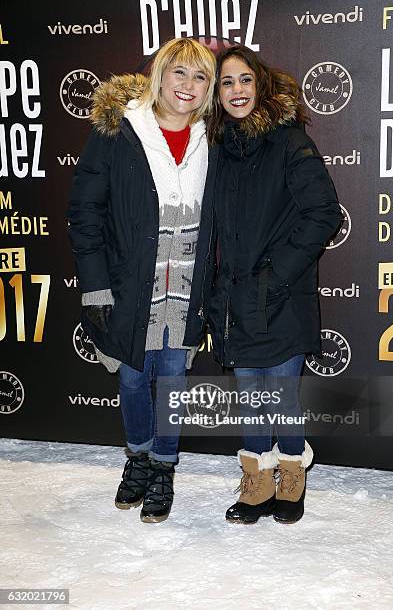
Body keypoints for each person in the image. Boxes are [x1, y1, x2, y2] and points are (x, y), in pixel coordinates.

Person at [190, 45, 342, 524]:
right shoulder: (214, 149)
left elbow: (324, 214)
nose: (236, 91)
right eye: (226, 83)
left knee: (280, 394)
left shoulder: (288, 141)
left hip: (281, 296)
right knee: (251, 395)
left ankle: (292, 473)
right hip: (234, 300)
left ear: (261, 85)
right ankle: (257, 480)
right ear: (216, 94)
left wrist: (275, 279)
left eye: (244, 80)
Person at [67, 38, 217, 523]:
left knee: (173, 380)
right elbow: (86, 212)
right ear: (159, 75)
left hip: (187, 288)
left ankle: (164, 467)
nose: (188, 86)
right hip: (131, 286)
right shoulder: (120, 130)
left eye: (200, 77)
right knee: (133, 379)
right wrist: (95, 284)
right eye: (179, 73)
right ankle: (138, 458)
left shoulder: (215, 136)